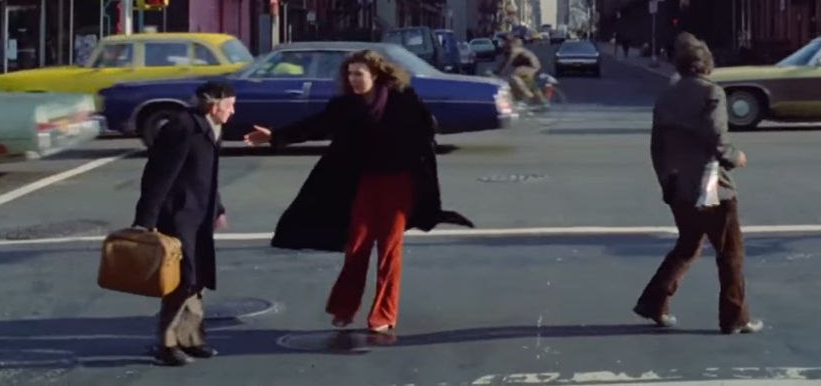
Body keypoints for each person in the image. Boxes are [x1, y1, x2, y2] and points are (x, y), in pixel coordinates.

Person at [245, 50, 472, 334]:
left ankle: (384, 314)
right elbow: (315, 125)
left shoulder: (403, 99)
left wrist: (418, 162)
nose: (353, 79)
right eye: (349, 74)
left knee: (389, 249)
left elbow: (425, 132)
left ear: (375, 75)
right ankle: (344, 308)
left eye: (358, 74)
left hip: (399, 183)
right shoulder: (345, 105)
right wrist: (275, 136)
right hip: (361, 182)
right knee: (357, 245)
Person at [633, 32, 762, 335]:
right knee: (730, 252)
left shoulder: (666, 96)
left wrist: (667, 181)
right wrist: (735, 157)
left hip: (678, 183)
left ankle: (653, 302)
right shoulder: (712, 93)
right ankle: (735, 317)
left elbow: (657, 146)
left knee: (688, 244)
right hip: (710, 184)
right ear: (707, 64)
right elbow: (717, 137)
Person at [133, 80, 234, 367]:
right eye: (230, 106)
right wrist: (146, 220)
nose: (233, 111)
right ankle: (166, 343)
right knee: (183, 279)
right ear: (214, 105)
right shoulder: (182, 127)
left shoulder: (212, 128)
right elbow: (158, 175)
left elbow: (208, 175)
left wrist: (218, 208)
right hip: (177, 214)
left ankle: (190, 338)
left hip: (200, 213)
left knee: (197, 277)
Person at [498, 37, 544, 104]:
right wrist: (498, 71)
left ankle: (528, 95)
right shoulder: (509, 52)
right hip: (528, 68)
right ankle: (520, 97)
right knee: (514, 78)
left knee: (514, 76)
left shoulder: (516, 50)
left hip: (532, 68)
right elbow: (504, 63)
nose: (504, 46)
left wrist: (503, 72)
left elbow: (509, 62)